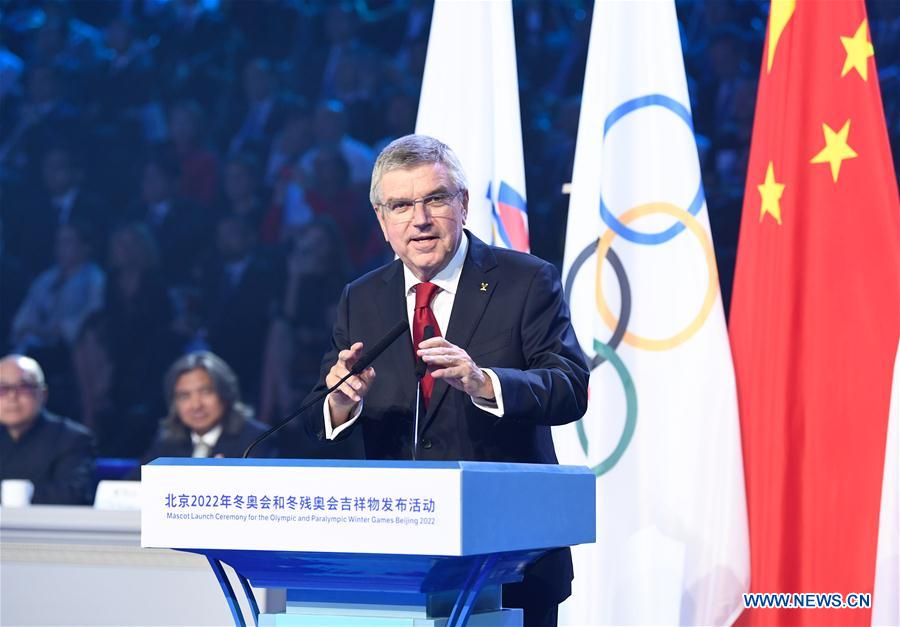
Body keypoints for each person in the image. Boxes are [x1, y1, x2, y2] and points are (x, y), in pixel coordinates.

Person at [302, 135, 589, 627]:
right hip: (399, 559)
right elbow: (315, 416)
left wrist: (484, 382)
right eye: (401, 205)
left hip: (510, 557)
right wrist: (341, 402)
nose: (420, 219)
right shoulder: (362, 298)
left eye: (435, 199)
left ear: (463, 204)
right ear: (382, 220)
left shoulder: (525, 281)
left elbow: (569, 387)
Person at [141, 351, 275, 462]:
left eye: (206, 392)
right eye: (184, 396)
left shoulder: (256, 439)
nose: (196, 405)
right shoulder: (166, 441)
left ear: (225, 393)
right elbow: (134, 484)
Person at [0, 354, 95, 505]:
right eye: (3, 389)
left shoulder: (72, 439)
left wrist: (16, 496)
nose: (12, 397)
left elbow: (74, 494)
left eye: (23, 387)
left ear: (43, 394)